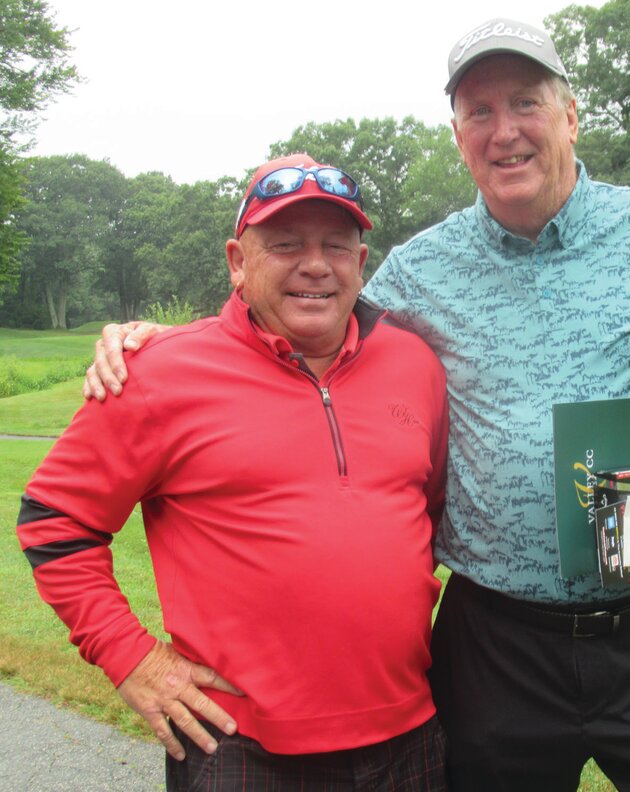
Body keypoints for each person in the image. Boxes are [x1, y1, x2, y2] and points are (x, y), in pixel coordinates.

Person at [84, 18, 630, 792]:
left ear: (571, 115)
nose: (504, 130)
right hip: (497, 642)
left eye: (525, 103)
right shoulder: (420, 270)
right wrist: (169, 342)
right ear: (458, 137)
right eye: (480, 112)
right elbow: (304, 310)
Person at [17, 154, 449, 791]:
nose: (314, 264)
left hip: (409, 735)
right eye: (284, 244)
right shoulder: (157, 374)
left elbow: (427, 512)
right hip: (241, 746)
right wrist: (131, 658)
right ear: (238, 263)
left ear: (361, 264)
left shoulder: (415, 363)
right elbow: (55, 523)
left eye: (336, 244)